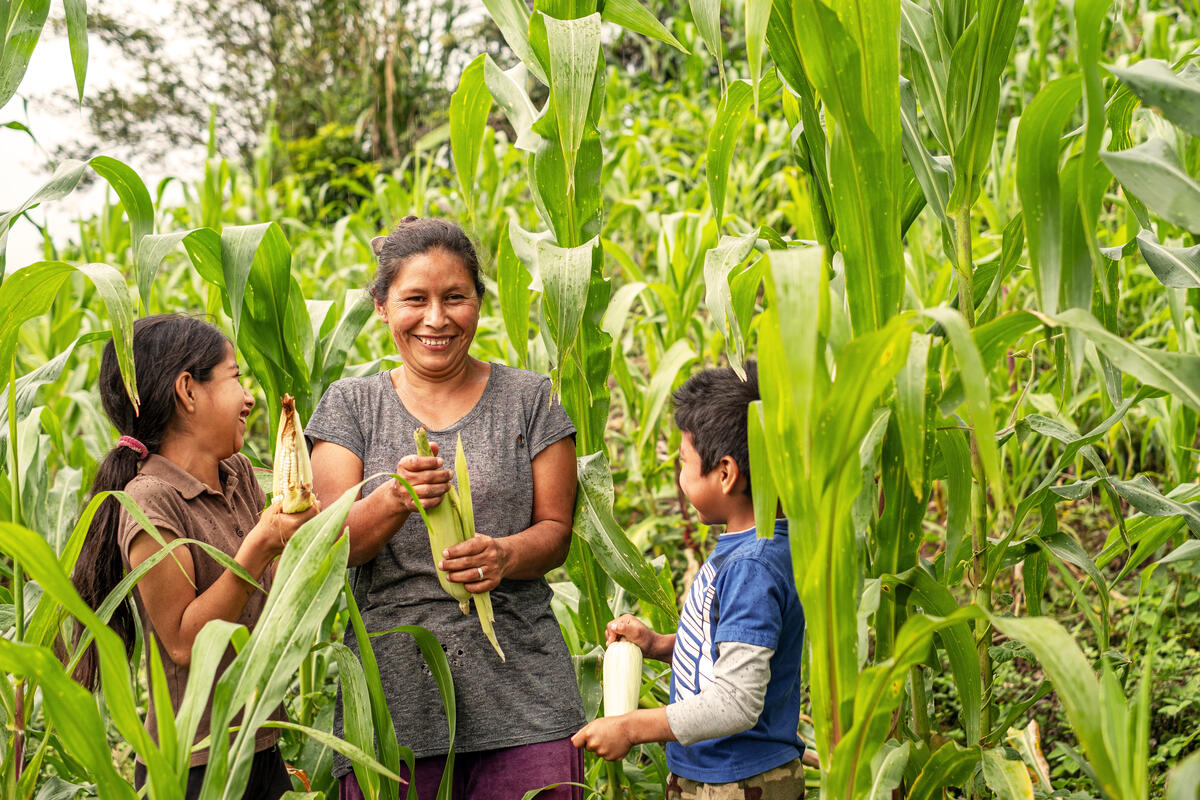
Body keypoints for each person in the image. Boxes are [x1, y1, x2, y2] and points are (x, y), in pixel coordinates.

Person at [306, 216, 584, 800]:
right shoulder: (351, 407)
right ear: (382, 307)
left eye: (455, 298)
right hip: (395, 703)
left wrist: (506, 554)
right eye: (415, 299)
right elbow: (328, 546)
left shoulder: (530, 400)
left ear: (478, 303)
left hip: (525, 698)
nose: (436, 319)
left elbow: (557, 531)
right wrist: (392, 500)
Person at [71, 314, 318, 799]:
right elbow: (184, 641)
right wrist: (261, 544)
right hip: (195, 764)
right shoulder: (148, 501)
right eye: (235, 378)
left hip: (258, 739)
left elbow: (278, 585)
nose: (249, 397)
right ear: (188, 390)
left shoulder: (238, 474)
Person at [572, 362, 807, 800]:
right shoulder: (746, 548)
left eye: (683, 463)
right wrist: (660, 644)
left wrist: (633, 726)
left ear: (725, 473)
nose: (677, 477)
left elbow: (737, 700)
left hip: (738, 782)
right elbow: (729, 649)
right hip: (715, 774)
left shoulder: (752, 566)